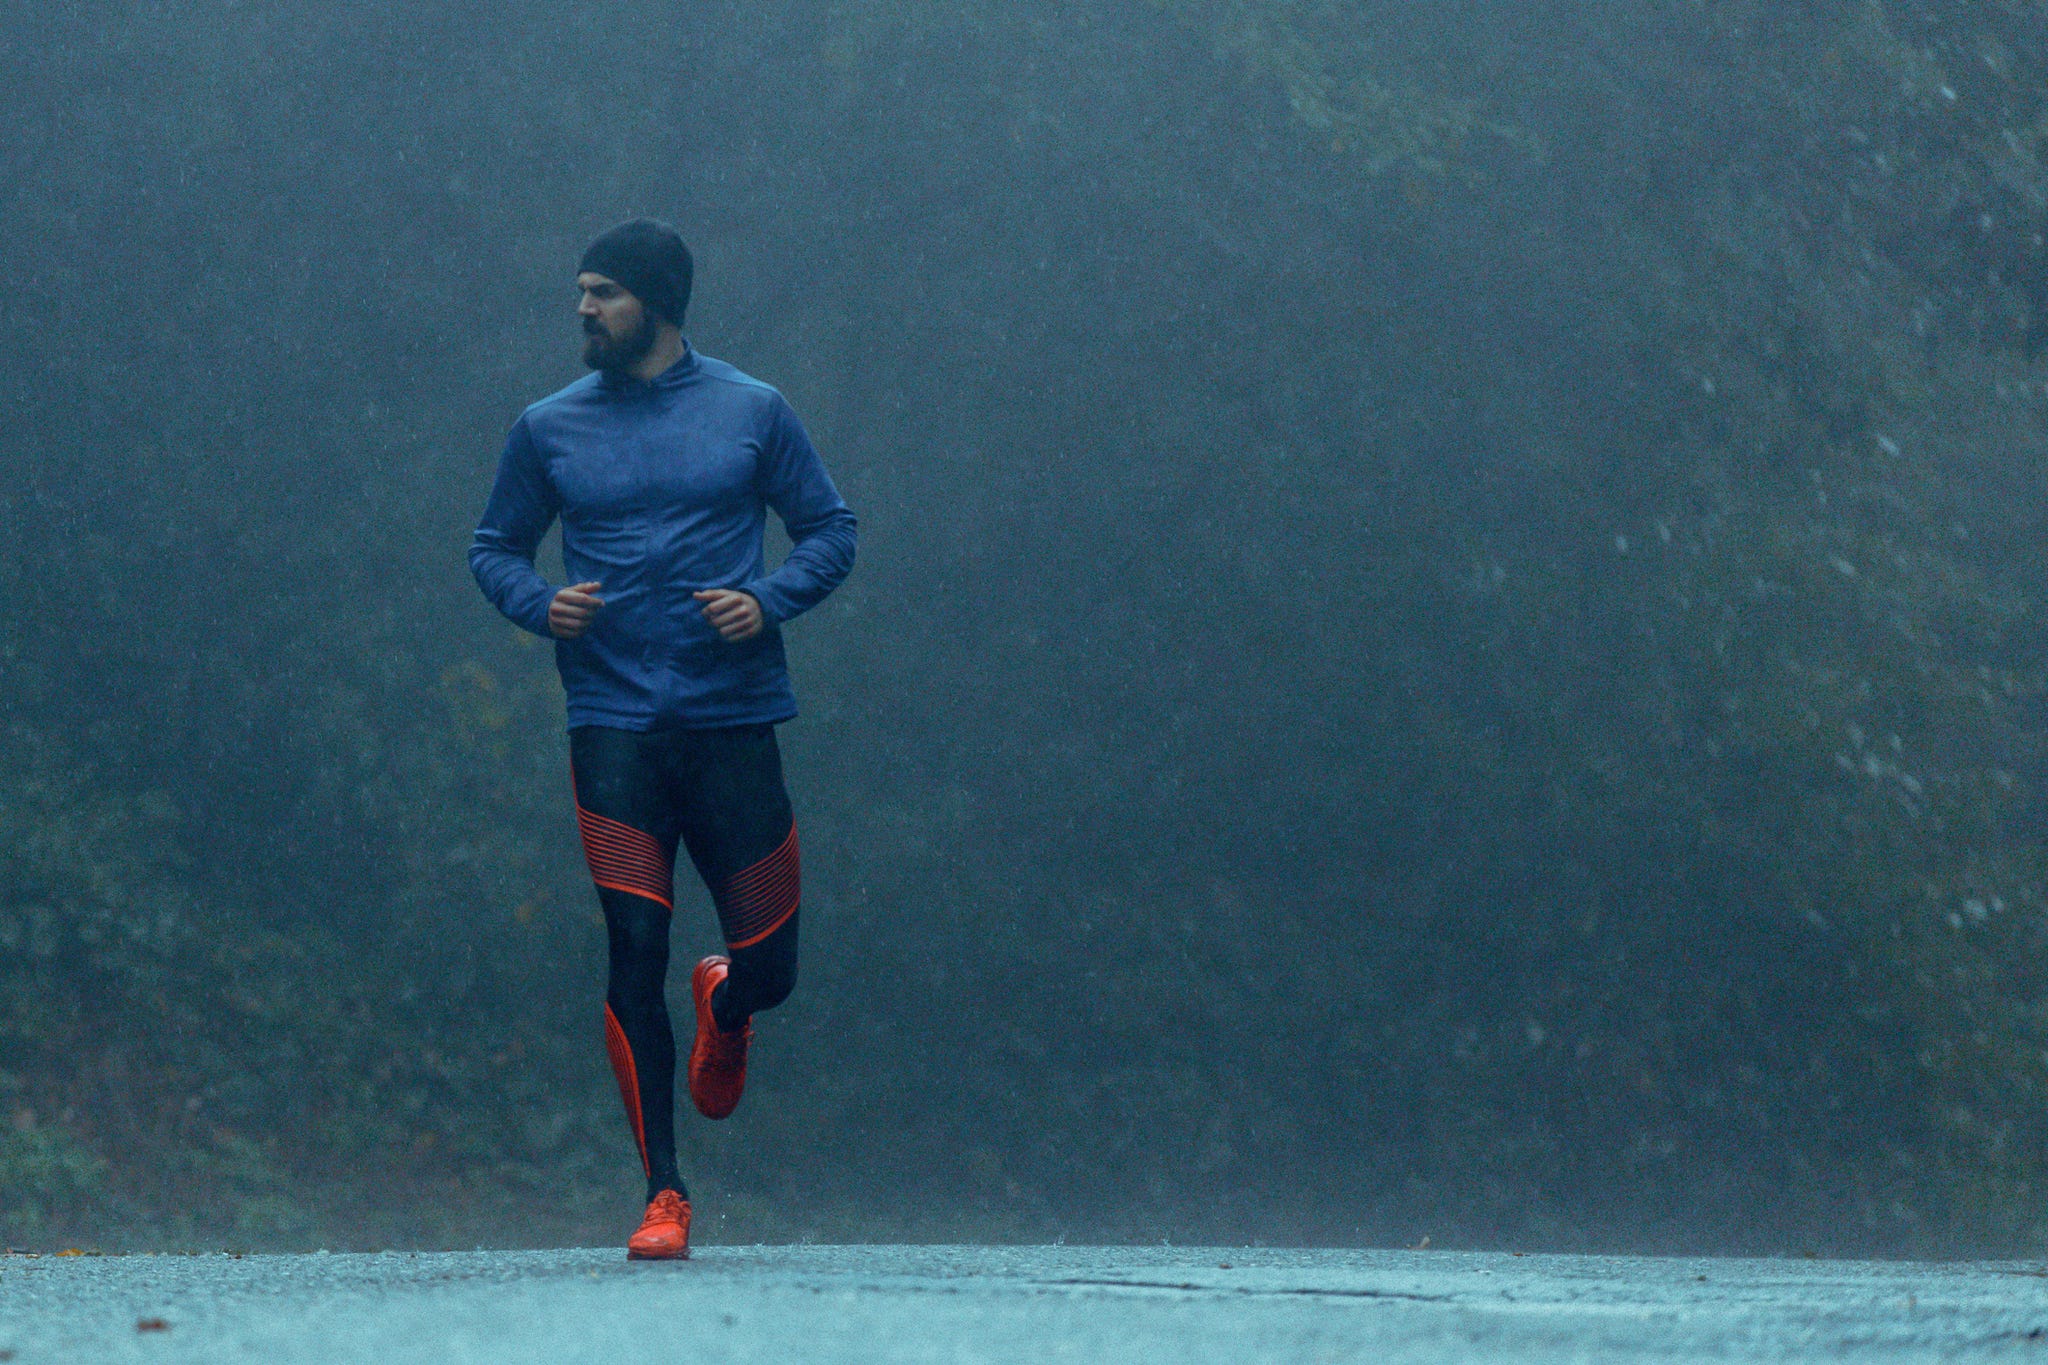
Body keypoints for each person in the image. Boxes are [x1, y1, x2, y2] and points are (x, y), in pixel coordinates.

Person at [468, 219, 856, 1259]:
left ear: (656, 302)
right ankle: (662, 1195)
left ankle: (728, 1000)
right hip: (613, 729)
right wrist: (536, 604)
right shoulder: (548, 426)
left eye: (602, 293)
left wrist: (767, 600)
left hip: (730, 724)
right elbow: (494, 545)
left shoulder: (752, 411)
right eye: (579, 292)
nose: (582, 310)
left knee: (774, 966)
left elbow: (830, 529)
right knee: (632, 948)